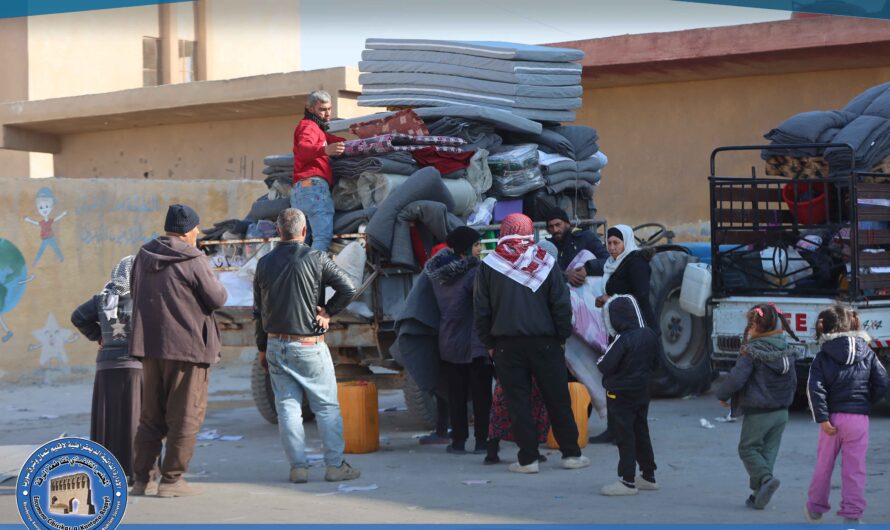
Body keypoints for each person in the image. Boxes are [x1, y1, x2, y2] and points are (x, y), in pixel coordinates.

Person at [474, 213, 589, 474]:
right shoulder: (546, 261)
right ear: (529, 232)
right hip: (546, 343)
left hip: (505, 346)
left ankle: (528, 459)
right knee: (557, 399)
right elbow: (561, 305)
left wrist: (489, 343)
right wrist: (561, 337)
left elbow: (481, 309)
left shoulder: (489, 264)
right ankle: (571, 454)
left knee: (518, 402)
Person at [254, 208, 360, 484]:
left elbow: (258, 311)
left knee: (288, 408)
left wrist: (262, 348)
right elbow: (348, 288)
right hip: (309, 344)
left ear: (278, 231)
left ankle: (298, 468)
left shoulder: (264, 263)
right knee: (326, 407)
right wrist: (327, 312)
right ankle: (335, 466)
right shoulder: (317, 258)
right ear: (304, 231)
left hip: (276, 343)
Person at [129, 204, 228, 498]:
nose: (197, 233)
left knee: (151, 415)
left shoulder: (143, 256)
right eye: (195, 228)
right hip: (187, 349)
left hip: (150, 347)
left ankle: (141, 480)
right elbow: (217, 298)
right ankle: (171, 480)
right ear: (187, 231)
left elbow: (135, 292)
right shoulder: (194, 258)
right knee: (185, 415)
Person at [805, 305, 890, 524]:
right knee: (855, 468)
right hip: (858, 420)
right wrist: (865, 403)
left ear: (825, 327)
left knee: (824, 465)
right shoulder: (868, 353)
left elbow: (815, 388)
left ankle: (816, 508)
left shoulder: (823, 356)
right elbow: (882, 382)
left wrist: (822, 418)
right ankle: (852, 514)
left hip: (831, 420)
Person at [715, 303, 798, 510]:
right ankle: (758, 494)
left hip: (759, 411)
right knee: (768, 452)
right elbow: (794, 382)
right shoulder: (787, 349)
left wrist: (723, 394)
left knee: (748, 448)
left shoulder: (753, 352)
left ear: (754, 326)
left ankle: (764, 480)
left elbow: (736, 378)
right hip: (781, 412)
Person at [70, 255, 141, 483]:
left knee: (107, 418)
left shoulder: (102, 299)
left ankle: (106, 471)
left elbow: (77, 317)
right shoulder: (143, 299)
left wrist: (98, 335)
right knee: (134, 419)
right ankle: (134, 471)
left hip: (106, 367)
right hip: (135, 367)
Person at [425, 226, 493, 455]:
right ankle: (482, 441)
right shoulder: (475, 273)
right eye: (475, 245)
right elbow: (485, 304)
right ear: (465, 249)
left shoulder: (437, 275)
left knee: (456, 396)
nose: (479, 249)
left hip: (449, 341)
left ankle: (458, 441)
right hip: (475, 343)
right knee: (482, 396)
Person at [591, 224, 657, 445]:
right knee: (615, 379)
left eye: (616, 243)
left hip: (637, 331)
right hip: (619, 330)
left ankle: (631, 431)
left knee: (634, 381)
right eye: (608, 243)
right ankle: (614, 429)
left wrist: (611, 299)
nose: (611, 248)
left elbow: (640, 295)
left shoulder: (635, 262)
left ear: (626, 242)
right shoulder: (612, 264)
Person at [596, 294, 659, 496]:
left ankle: (627, 480)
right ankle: (648, 475)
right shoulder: (649, 334)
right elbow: (657, 364)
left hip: (620, 392)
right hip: (642, 390)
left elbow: (605, 365)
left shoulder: (622, 339)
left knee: (624, 435)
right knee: (641, 430)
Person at [292, 90, 346, 252]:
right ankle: (313, 276)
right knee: (322, 238)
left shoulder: (318, 130)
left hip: (301, 191)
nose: (327, 113)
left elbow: (337, 141)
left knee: (302, 244)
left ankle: (298, 276)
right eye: (322, 109)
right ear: (310, 109)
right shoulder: (308, 126)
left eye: (329, 109)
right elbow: (303, 149)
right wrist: (325, 150)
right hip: (313, 188)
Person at [545, 207, 608, 287]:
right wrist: (565, 276)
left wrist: (587, 269)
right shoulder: (548, 247)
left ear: (567, 223)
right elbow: (543, 273)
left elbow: (608, 262)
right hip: (562, 295)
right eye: (551, 226)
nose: (555, 230)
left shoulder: (586, 238)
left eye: (558, 224)